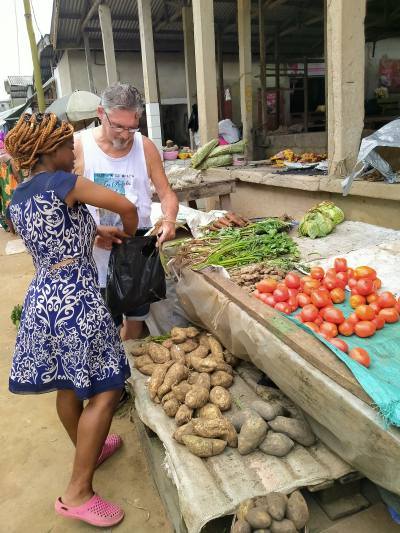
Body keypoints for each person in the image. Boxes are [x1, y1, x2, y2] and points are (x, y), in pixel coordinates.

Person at [5, 112, 138, 528]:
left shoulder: (18, 197)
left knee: (68, 383)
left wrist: (96, 235)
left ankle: (90, 447)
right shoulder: (64, 183)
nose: (73, 152)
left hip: (43, 298)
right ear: (48, 151)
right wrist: (131, 241)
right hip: (76, 301)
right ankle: (78, 491)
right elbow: (127, 206)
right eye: (67, 146)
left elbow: (53, 235)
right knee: (107, 389)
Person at [74, 83, 179, 341]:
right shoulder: (78, 146)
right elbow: (62, 205)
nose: (125, 135)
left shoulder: (145, 148)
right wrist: (90, 234)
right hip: (94, 252)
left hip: (136, 250)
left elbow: (166, 193)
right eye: (118, 126)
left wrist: (169, 219)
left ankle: (127, 364)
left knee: (136, 321)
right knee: (101, 327)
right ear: (101, 113)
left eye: (132, 127)